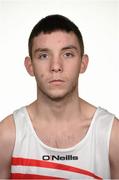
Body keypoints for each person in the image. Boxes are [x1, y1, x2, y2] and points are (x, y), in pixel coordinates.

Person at [0, 14, 119, 179]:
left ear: (83, 63)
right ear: (30, 66)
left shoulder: (111, 135)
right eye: (44, 55)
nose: (56, 66)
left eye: (68, 54)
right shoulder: (7, 135)